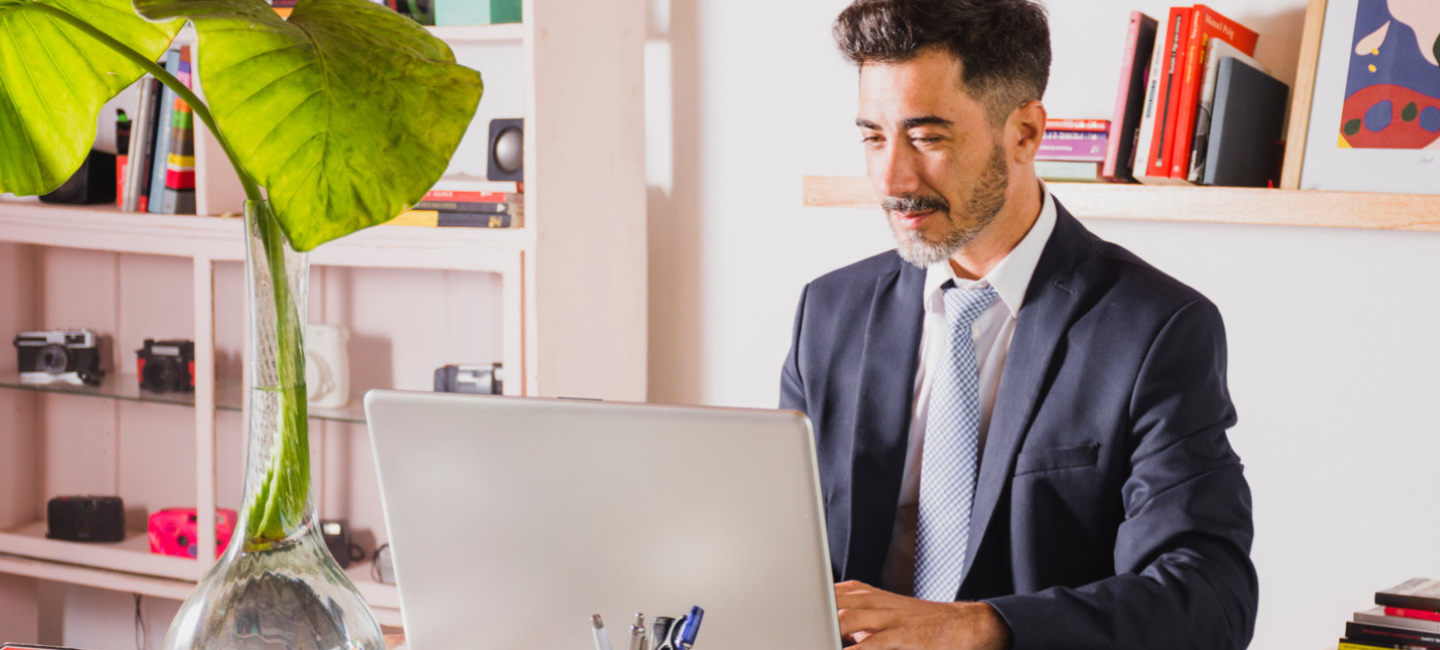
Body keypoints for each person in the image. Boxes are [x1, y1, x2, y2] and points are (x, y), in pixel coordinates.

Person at [778, 1, 1259, 648]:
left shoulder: (1155, 330)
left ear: (1026, 133)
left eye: (927, 137)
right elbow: (783, 550)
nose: (891, 177)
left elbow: (1207, 599)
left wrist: (975, 628)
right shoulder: (829, 313)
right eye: (873, 136)